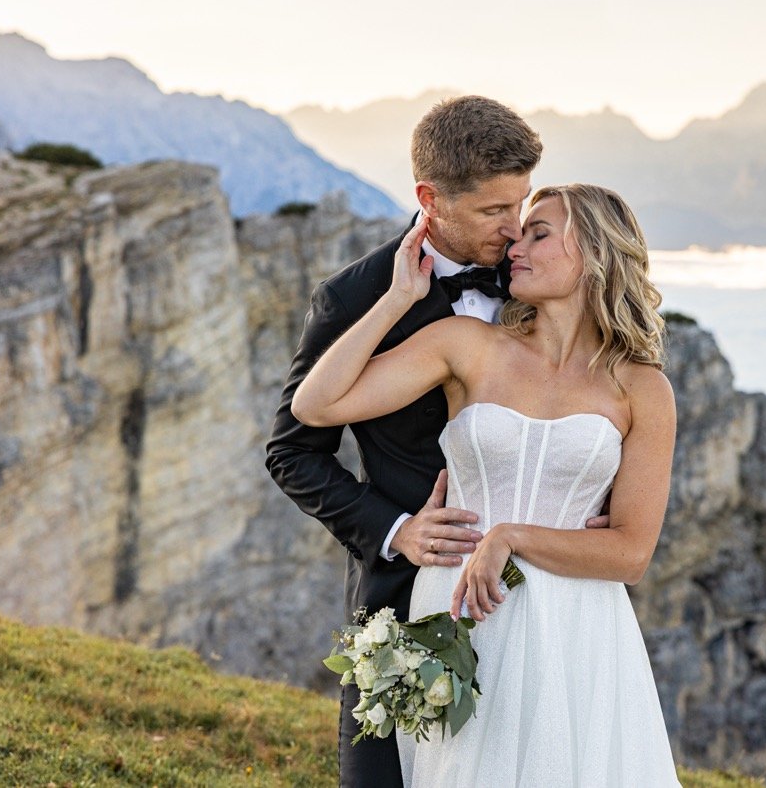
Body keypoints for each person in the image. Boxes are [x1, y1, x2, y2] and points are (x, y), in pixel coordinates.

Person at [267, 96, 610, 787]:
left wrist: (584, 507)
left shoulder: (535, 278)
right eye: (493, 212)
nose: (514, 230)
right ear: (431, 199)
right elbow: (293, 450)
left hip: (534, 600)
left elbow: (583, 404)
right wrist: (396, 529)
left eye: (521, 206)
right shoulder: (353, 297)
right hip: (402, 595)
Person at [291, 184, 681, 786]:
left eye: (538, 232)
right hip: (459, 610)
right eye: (518, 230)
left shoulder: (642, 389)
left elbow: (631, 553)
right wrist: (398, 298)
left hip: (575, 625)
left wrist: (511, 537)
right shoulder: (466, 345)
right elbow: (317, 405)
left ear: (597, 251)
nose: (514, 245)